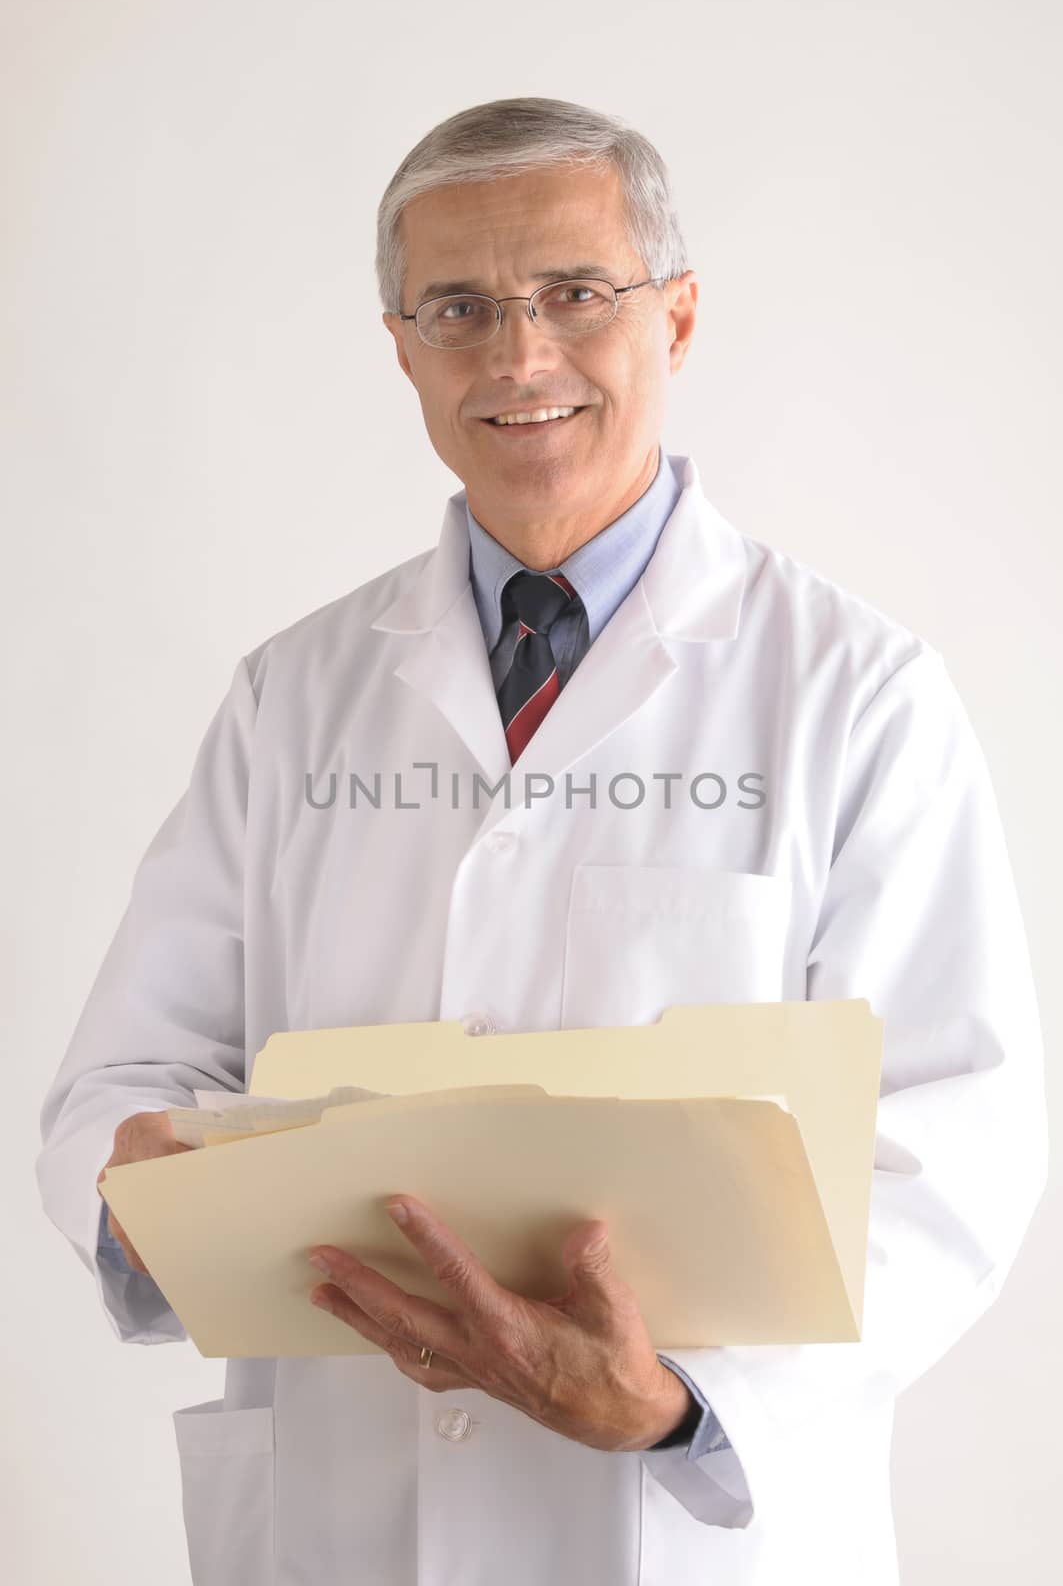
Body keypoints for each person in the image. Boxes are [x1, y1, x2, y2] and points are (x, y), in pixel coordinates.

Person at [36, 95, 1047, 1586]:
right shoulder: (294, 694)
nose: (518, 355)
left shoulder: (855, 691)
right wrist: (145, 1193)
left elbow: (958, 1131)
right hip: (347, 1509)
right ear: (401, 346)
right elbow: (123, 1079)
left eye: (575, 293)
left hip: (672, 1525)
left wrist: (681, 1407)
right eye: (459, 307)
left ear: (678, 316)